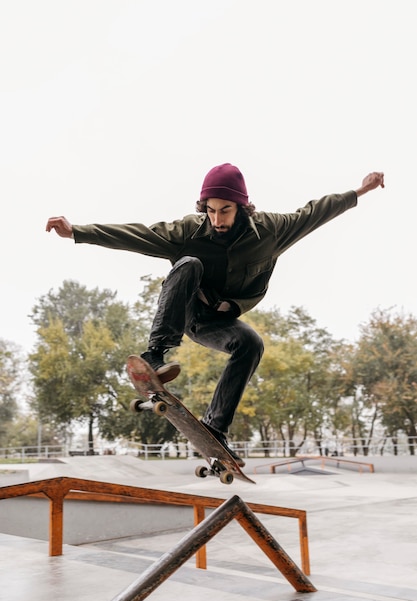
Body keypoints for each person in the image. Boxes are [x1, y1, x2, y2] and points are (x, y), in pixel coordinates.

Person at [46, 163, 384, 466]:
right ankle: (157, 354)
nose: (218, 220)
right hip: (188, 312)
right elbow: (138, 235)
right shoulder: (189, 231)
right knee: (190, 262)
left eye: (225, 211)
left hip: (217, 323)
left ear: (242, 208)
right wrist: (77, 231)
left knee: (251, 342)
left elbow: (315, 212)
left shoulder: (271, 231)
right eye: (211, 211)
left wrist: (360, 191)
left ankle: (215, 428)